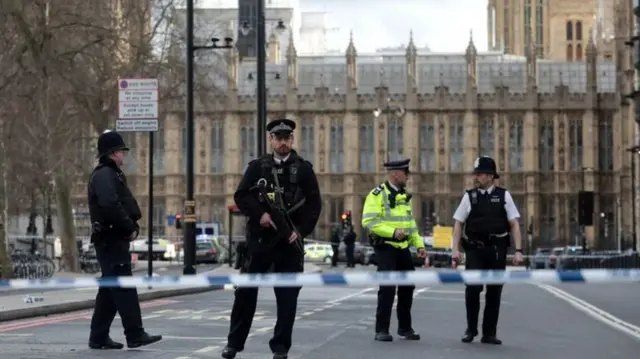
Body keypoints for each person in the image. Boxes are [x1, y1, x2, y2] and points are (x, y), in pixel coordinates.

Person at [222, 118, 322, 359]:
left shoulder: (304, 169)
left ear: (292, 140)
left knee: (287, 299)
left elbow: (314, 204)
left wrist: (300, 231)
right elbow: (241, 195)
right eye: (278, 138)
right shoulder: (258, 167)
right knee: (245, 295)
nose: (283, 143)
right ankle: (233, 344)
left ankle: (280, 347)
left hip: (288, 242)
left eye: (287, 138)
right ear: (271, 140)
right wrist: (261, 215)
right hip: (261, 240)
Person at [87, 130, 162, 350]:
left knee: (109, 290)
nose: (123, 155)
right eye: (121, 151)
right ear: (112, 152)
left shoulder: (111, 174)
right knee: (124, 287)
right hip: (110, 238)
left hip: (112, 239)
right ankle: (135, 334)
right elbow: (110, 204)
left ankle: (98, 337)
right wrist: (128, 227)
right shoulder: (104, 175)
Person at [451, 156, 523, 345]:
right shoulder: (470, 196)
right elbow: (458, 224)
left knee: (494, 292)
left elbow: (514, 224)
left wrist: (518, 250)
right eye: (476, 173)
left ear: (490, 176)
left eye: (480, 173)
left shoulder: (503, 195)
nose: (476, 177)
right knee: (472, 290)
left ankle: (489, 333)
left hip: (497, 249)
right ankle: (471, 329)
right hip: (475, 249)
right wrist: (455, 250)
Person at [361, 159, 427, 342]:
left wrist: (419, 245)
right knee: (387, 288)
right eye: (406, 173)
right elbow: (368, 221)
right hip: (385, 247)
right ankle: (381, 329)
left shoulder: (403, 196)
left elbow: (410, 225)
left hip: (403, 247)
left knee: (408, 286)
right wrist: (392, 232)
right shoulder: (377, 195)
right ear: (396, 174)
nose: (408, 177)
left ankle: (405, 328)